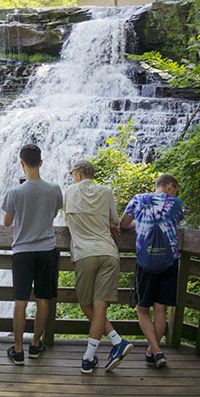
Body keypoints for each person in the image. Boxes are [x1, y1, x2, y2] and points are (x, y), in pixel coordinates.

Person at [65, 159, 133, 374]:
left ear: (77, 175)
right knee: (100, 307)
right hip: (108, 253)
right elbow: (114, 220)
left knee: (86, 305)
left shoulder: (70, 192)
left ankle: (95, 354)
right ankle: (108, 347)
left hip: (85, 254)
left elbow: (67, 218)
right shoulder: (106, 192)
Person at [2, 144, 63, 365]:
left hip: (22, 252)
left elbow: (7, 222)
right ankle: (36, 345)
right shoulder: (54, 189)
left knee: (20, 300)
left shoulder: (15, 192)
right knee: (44, 299)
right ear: (41, 162)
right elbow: (54, 213)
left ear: (21, 163)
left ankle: (18, 350)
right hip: (46, 250)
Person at [120, 173, 184, 368]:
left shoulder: (139, 199)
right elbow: (174, 223)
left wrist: (139, 223)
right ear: (171, 186)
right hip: (169, 261)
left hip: (146, 261)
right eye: (177, 189)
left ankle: (154, 350)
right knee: (161, 309)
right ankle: (154, 351)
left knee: (142, 309)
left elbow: (123, 224)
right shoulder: (176, 204)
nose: (177, 193)